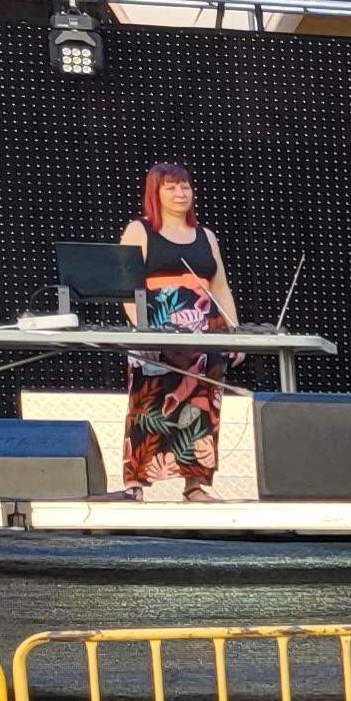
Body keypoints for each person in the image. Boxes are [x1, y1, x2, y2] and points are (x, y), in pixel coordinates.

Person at [118, 163, 234, 503]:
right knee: (147, 402)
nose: (180, 194)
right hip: (156, 326)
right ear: (155, 192)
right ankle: (135, 482)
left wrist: (232, 330)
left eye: (185, 187)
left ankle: (194, 484)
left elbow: (221, 287)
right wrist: (143, 332)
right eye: (171, 188)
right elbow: (128, 287)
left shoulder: (206, 236)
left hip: (204, 331)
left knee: (202, 404)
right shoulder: (140, 230)